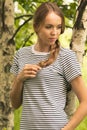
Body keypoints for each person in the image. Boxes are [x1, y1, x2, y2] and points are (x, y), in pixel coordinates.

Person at [10, 2, 87, 130]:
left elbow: (85, 102)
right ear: (36, 27)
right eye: (49, 27)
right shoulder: (21, 55)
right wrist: (19, 79)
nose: (54, 32)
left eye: (58, 27)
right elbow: (14, 103)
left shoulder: (66, 56)